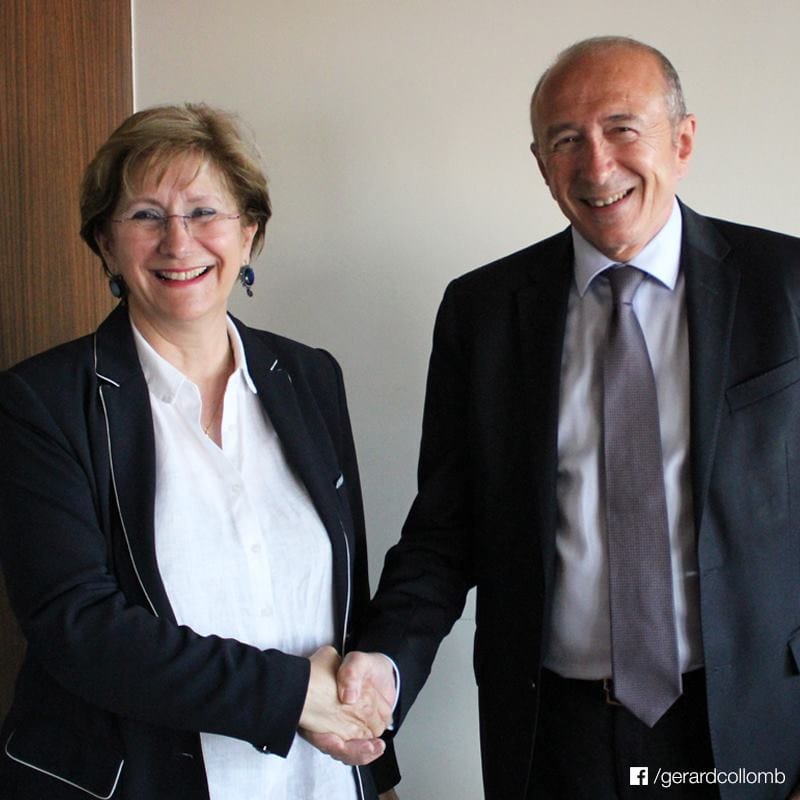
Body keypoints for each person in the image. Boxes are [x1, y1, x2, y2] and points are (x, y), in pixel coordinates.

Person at [329, 36, 800, 799]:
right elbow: (447, 531)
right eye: (565, 140)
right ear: (541, 163)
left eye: (622, 128)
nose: (596, 164)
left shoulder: (787, 286)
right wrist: (382, 667)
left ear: (682, 142)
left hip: (750, 725)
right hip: (555, 736)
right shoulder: (482, 312)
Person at [0, 103, 398, 800]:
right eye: (146, 216)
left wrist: (373, 766)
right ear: (104, 243)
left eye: (205, 212)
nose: (179, 244)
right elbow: (77, 627)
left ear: (250, 233)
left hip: (318, 779)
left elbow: (344, 596)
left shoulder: (310, 377)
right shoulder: (41, 402)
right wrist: (290, 694)